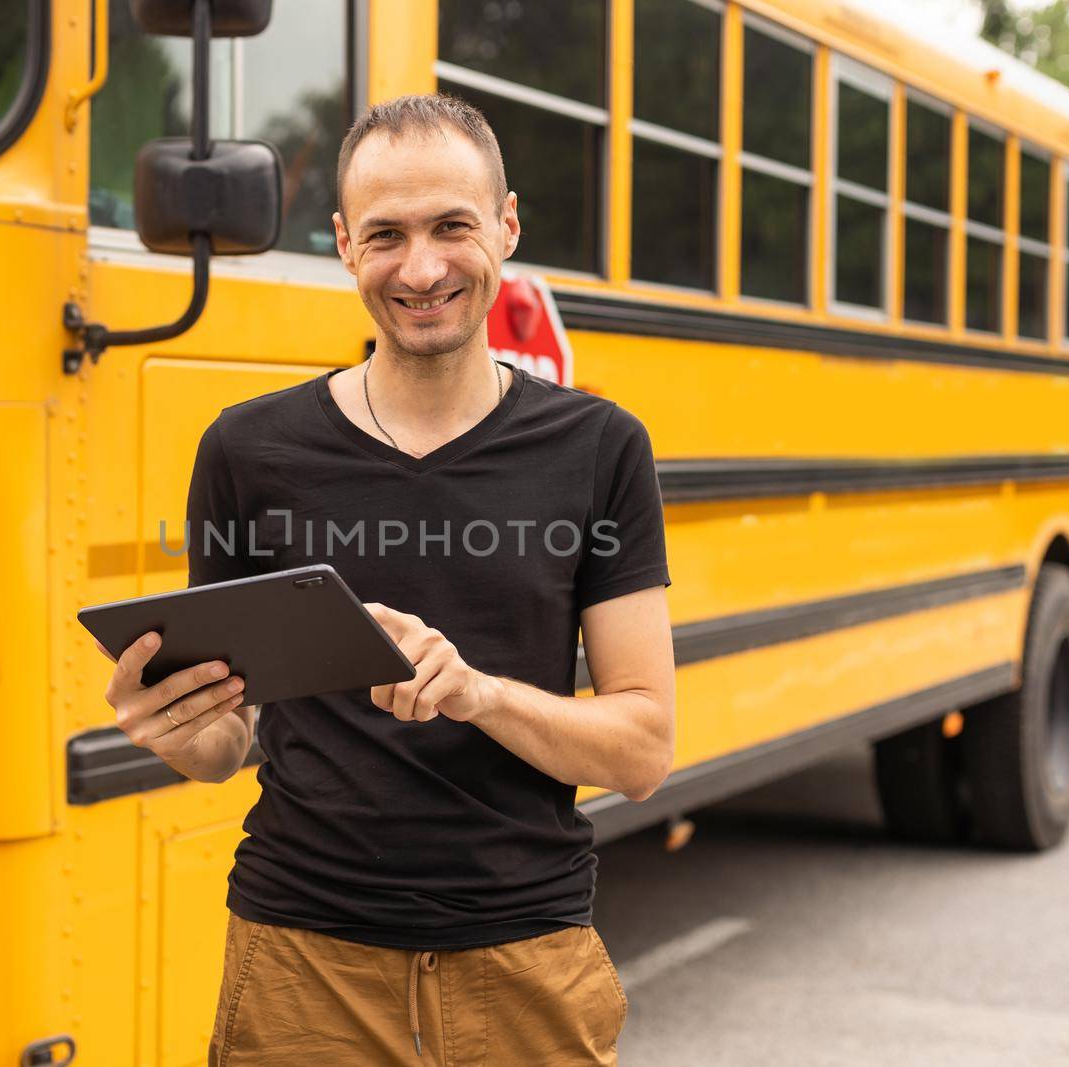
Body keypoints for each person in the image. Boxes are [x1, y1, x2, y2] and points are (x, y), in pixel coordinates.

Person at [98, 92, 675, 1065]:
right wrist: (180, 728)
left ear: (506, 226)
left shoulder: (599, 448)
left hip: (527, 957)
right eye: (386, 234)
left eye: (452, 226)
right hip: (301, 964)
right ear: (342, 244)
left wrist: (479, 693)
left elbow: (642, 747)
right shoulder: (248, 450)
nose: (421, 268)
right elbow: (227, 739)